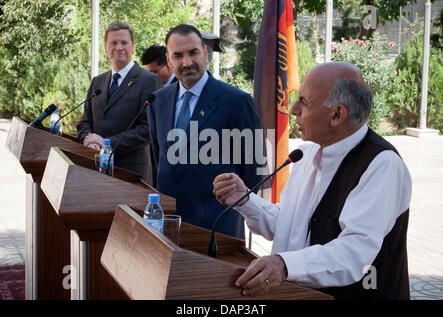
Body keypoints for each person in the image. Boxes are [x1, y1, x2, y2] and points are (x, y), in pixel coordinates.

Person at [213, 61, 412, 300]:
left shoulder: (382, 165)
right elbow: (286, 223)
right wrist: (245, 199)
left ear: (337, 114)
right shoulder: (306, 154)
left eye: (304, 102)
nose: (292, 109)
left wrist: (285, 265)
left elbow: (354, 253)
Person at [148, 24, 263, 239]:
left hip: (218, 231)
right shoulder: (157, 101)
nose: (187, 62)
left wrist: (235, 210)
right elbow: (159, 160)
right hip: (168, 227)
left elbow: (253, 170)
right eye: (178, 55)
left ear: (205, 53)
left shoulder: (236, 101)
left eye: (193, 53)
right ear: (169, 60)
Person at [77, 21, 161, 184]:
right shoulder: (98, 82)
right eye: (113, 43)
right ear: (105, 47)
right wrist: (89, 140)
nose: (119, 47)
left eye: (124, 42)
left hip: (132, 173)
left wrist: (107, 144)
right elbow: (85, 121)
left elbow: (148, 129)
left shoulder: (149, 80)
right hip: (96, 168)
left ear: (133, 46)